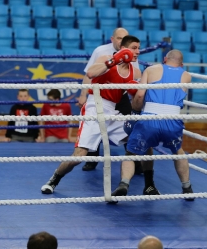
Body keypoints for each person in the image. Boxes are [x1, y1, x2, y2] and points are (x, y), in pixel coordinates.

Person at [41, 35, 142, 194]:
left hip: (113, 111)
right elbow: (90, 73)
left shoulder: (135, 72)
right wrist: (113, 61)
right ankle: (55, 179)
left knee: (134, 137)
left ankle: (124, 184)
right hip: (95, 106)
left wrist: (136, 91)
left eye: (139, 48)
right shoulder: (106, 58)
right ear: (124, 48)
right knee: (79, 155)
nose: (138, 51)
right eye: (134, 48)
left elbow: (141, 95)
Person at [112, 50, 194, 200]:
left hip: (149, 119)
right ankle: (187, 188)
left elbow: (140, 95)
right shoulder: (186, 75)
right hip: (173, 120)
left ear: (164, 59)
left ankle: (124, 184)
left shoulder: (150, 70)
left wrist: (135, 112)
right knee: (178, 152)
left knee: (131, 153)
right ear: (182, 64)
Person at [78, 27, 142, 173]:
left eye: (124, 38)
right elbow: (89, 73)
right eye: (119, 38)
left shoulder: (132, 53)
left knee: (130, 125)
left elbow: (136, 77)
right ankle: (91, 160)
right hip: (102, 95)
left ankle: (135, 162)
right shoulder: (101, 52)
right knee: (95, 125)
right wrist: (83, 94)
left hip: (121, 93)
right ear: (112, 39)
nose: (121, 41)